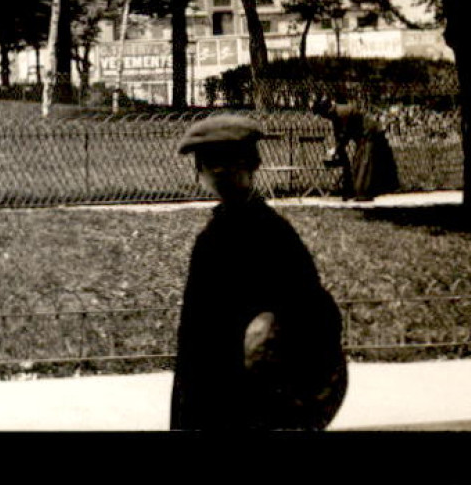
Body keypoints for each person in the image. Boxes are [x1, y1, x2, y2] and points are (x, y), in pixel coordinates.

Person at [170, 114, 348, 431]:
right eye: (211, 163)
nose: (221, 170)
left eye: (231, 161)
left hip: (257, 402)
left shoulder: (273, 233)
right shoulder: (210, 237)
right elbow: (194, 337)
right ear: (200, 172)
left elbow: (315, 316)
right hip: (210, 396)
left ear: (253, 164)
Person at [311, 99, 400, 201]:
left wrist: (335, 149)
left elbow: (343, 135)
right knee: (358, 162)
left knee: (364, 164)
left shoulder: (342, 113)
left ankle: (363, 194)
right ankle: (356, 192)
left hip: (369, 133)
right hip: (363, 136)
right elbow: (339, 135)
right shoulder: (337, 114)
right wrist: (337, 149)